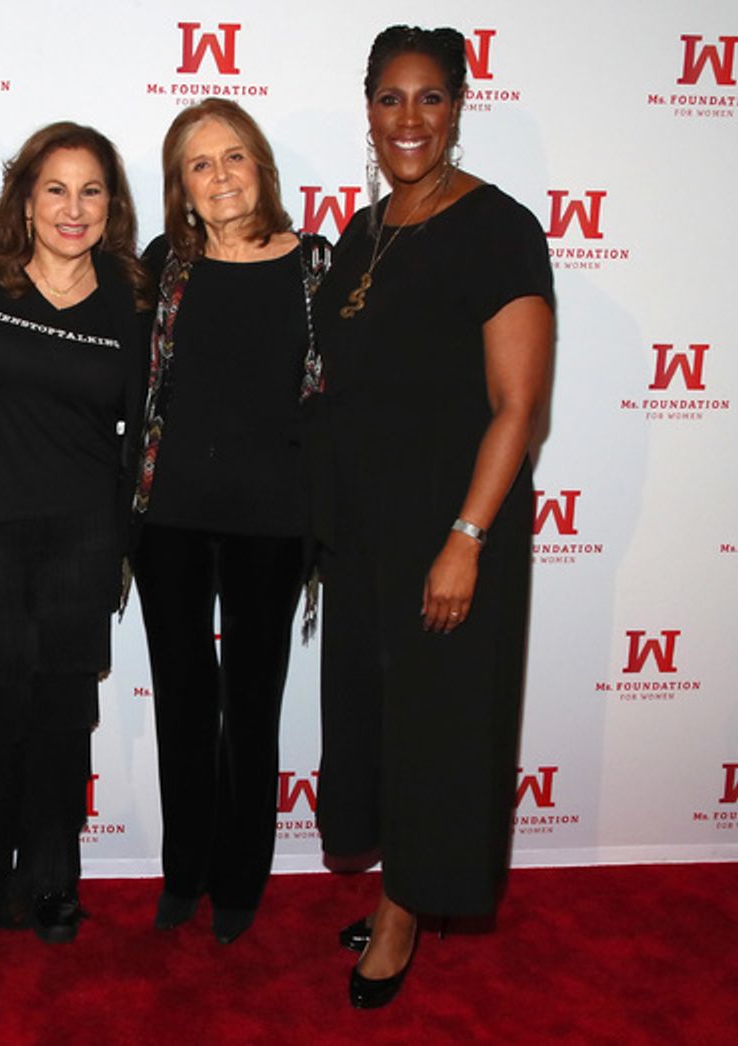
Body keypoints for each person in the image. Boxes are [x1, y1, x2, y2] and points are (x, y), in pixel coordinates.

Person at [307, 26, 555, 1008]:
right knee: (380, 720)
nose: (409, 119)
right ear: (368, 108)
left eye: (430, 99)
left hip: (452, 529)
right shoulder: (367, 232)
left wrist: (465, 539)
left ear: (459, 107)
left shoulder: (500, 229)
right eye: (391, 99)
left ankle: (408, 909)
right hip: (367, 533)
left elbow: (518, 407)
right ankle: (398, 880)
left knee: (437, 726)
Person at [0, 123, 149, 944]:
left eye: (91, 189)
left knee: (62, 719)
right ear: (25, 196)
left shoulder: (132, 296)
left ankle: (55, 880)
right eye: (55, 188)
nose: (73, 207)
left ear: (111, 205)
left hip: (83, 537)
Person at [132, 98, 330, 944]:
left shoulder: (318, 264)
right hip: (167, 518)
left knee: (254, 700)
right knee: (181, 699)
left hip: (273, 522)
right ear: (181, 186)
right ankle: (185, 872)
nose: (220, 176)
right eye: (200, 164)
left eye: (235, 157)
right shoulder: (159, 267)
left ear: (262, 169)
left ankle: (242, 878)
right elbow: (35, 261)